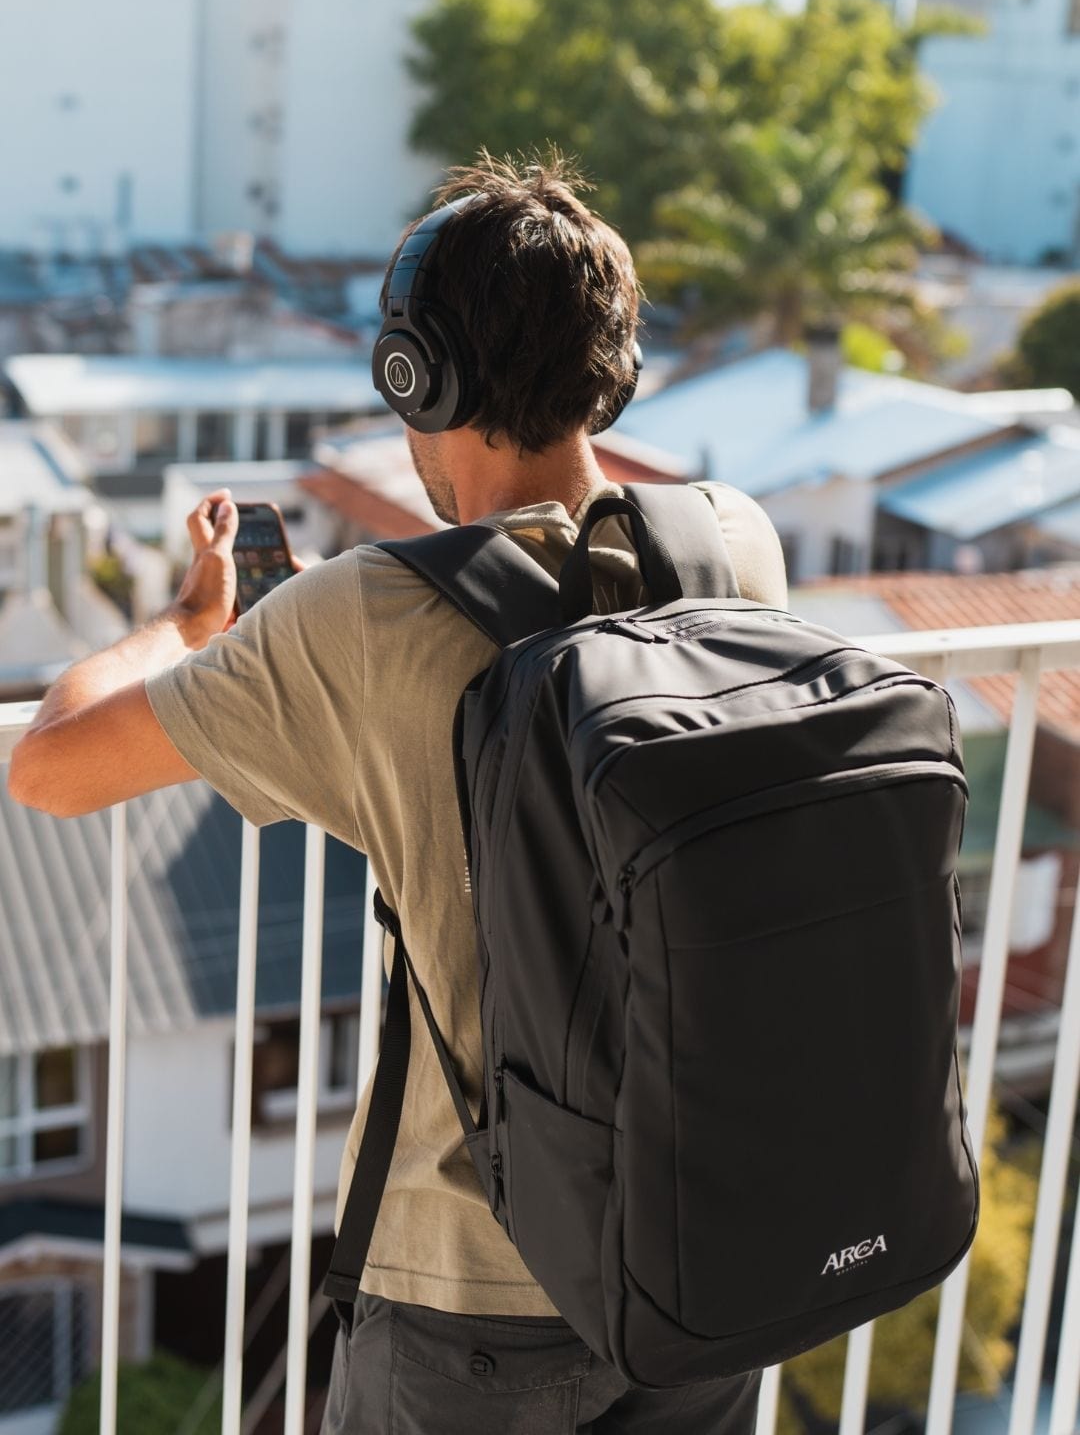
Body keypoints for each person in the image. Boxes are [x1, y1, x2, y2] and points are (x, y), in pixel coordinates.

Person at [10, 153, 787, 1432]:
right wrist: (321, 628)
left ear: (415, 376)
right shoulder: (733, 544)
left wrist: (198, 622)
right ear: (615, 367)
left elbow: (50, 762)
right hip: (706, 1248)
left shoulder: (365, 625)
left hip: (474, 1301)